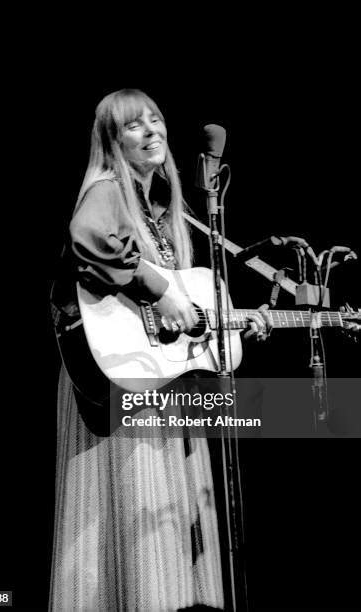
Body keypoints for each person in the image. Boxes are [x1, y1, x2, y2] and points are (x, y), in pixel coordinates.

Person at [49, 89, 270, 611]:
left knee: (164, 514)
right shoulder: (107, 189)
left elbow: (183, 322)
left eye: (156, 120)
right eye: (133, 126)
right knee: (129, 513)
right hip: (119, 377)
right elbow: (89, 236)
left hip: (157, 383)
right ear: (111, 140)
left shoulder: (163, 212)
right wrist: (161, 290)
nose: (151, 131)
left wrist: (237, 324)